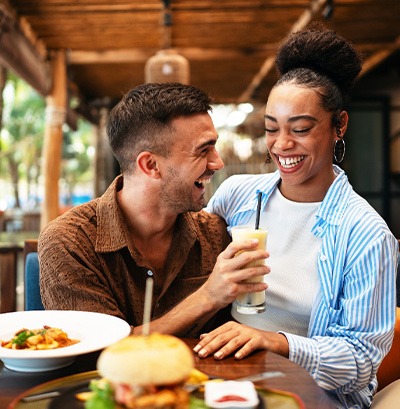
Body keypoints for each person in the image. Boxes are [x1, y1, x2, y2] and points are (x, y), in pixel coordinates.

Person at [193, 25, 399, 408]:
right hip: (231, 376)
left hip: (315, 396)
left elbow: (361, 361)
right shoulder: (238, 194)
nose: (282, 145)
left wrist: (277, 342)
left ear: (340, 125)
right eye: (272, 129)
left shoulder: (366, 234)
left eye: (300, 129)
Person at [38, 82, 269, 337]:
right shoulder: (69, 242)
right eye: (204, 150)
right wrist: (207, 296)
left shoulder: (215, 234)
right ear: (150, 165)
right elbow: (98, 348)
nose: (218, 162)